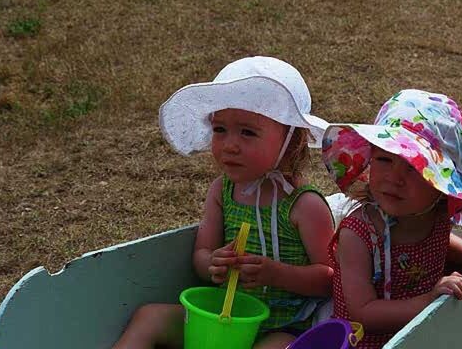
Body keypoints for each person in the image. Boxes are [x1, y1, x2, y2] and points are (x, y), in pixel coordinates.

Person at [113, 56, 335, 349]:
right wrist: (214, 265)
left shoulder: (304, 204)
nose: (230, 144)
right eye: (220, 130)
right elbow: (202, 253)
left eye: (248, 132)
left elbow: (329, 279)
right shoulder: (223, 190)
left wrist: (276, 274)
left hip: (284, 325)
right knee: (149, 317)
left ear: (291, 140)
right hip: (222, 315)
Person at [321, 89, 462, 348]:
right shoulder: (359, 234)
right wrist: (428, 302)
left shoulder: (436, 216)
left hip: (423, 336)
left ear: (441, 185)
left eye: (414, 168)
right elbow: (363, 312)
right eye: (384, 159)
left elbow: (441, 240)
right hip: (364, 341)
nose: (394, 178)